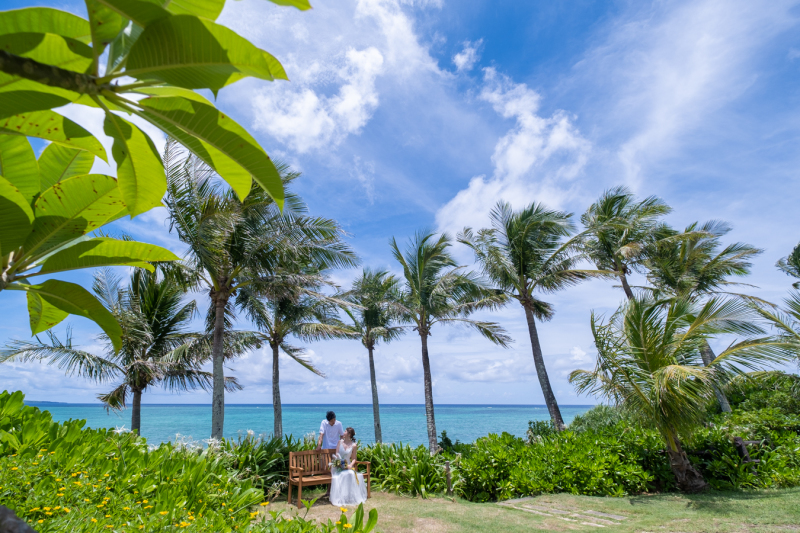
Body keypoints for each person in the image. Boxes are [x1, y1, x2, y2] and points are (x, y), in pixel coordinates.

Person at [329, 427, 367, 507]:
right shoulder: (340, 442)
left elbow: (354, 459)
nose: (343, 432)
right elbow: (336, 454)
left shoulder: (354, 445)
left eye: (345, 431)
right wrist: (338, 462)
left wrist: (350, 465)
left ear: (349, 434)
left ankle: (349, 496)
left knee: (350, 474)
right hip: (338, 466)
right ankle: (340, 497)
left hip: (348, 466)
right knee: (342, 475)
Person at [317, 411, 344, 498]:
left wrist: (341, 447)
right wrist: (319, 445)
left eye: (333, 420)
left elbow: (342, 436)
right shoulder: (324, 423)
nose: (333, 422)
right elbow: (321, 435)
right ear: (328, 420)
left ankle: (331, 491)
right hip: (326, 449)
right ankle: (329, 491)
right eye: (331, 421)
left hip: (335, 451)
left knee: (334, 470)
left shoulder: (339, 424)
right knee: (327, 470)